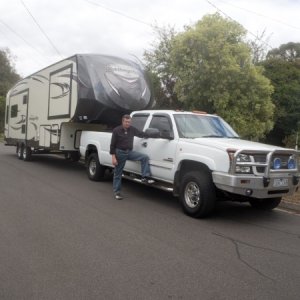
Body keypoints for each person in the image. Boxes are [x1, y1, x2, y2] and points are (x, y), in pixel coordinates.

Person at [110, 114, 154, 200]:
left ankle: (145, 177)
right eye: (126, 122)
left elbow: (141, 134)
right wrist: (113, 157)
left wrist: (152, 135)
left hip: (129, 152)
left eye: (129, 122)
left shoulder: (132, 129)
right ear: (122, 121)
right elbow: (112, 145)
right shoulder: (116, 130)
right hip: (120, 153)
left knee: (144, 157)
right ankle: (117, 192)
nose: (127, 123)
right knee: (118, 173)